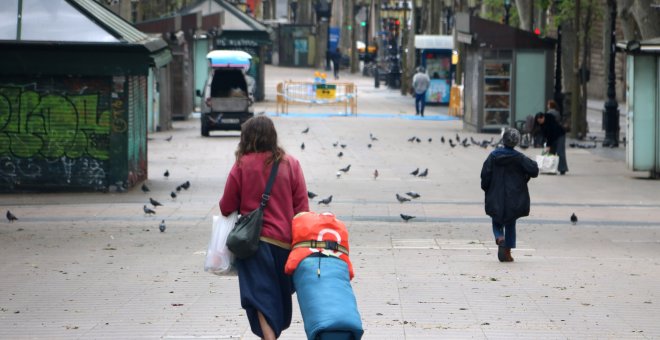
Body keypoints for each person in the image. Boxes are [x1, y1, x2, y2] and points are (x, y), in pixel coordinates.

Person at [219, 115, 309, 340]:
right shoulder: (291, 164)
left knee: (259, 296)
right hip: (285, 244)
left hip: (253, 244)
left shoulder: (242, 165)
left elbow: (225, 206)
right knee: (277, 296)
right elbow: (302, 209)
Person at [481, 128, 539, 262]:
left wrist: (486, 188)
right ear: (516, 142)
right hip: (514, 195)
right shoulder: (519, 158)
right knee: (511, 222)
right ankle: (507, 251)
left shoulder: (494, 156)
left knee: (496, 219)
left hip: (496, 193)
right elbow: (534, 170)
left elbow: (485, 174)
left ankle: (500, 237)